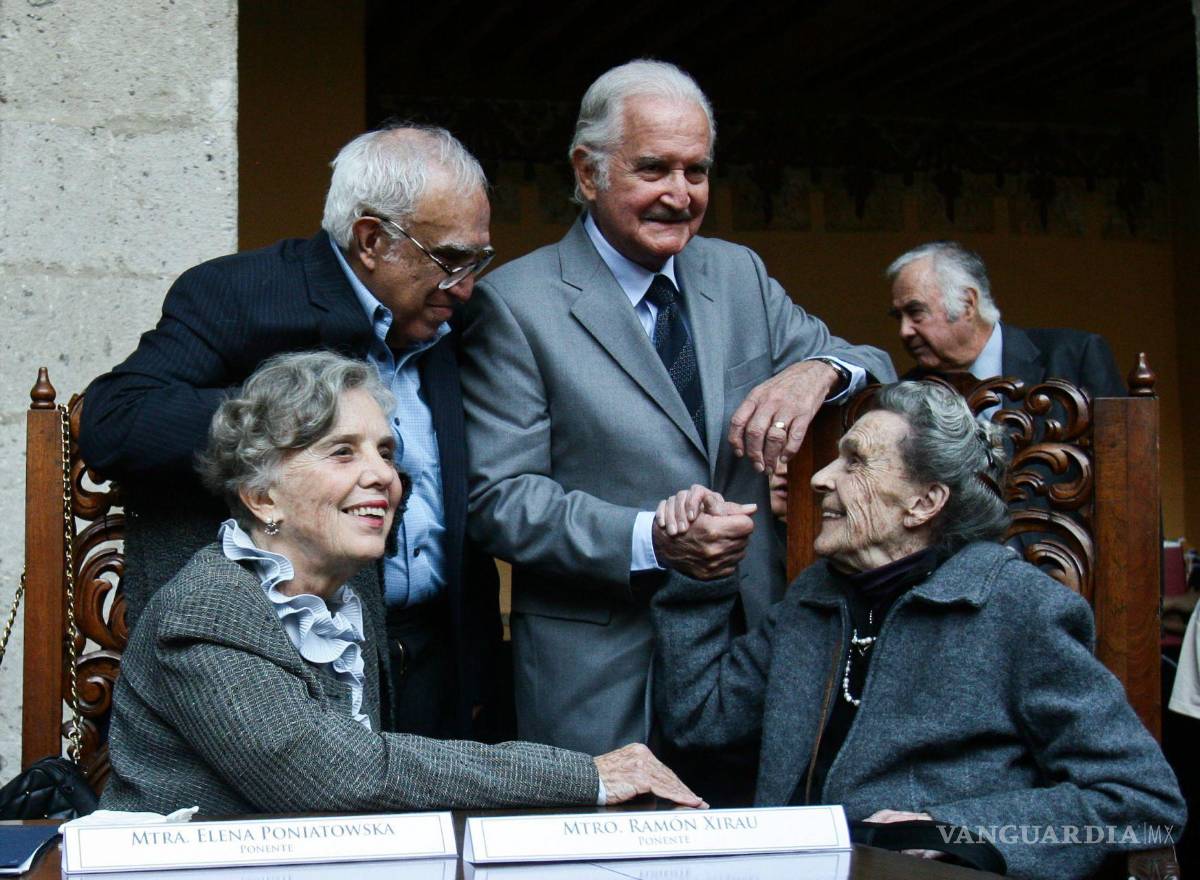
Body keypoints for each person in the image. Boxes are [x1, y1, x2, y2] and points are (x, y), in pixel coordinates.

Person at [460, 59, 894, 766]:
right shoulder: (514, 304)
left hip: (753, 652)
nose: (679, 194)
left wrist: (821, 369)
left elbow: (875, 363)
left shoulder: (739, 275)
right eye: (654, 169)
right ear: (587, 171)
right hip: (602, 669)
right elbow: (498, 500)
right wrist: (650, 540)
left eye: (697, 172)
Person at [100, 352, 704, 815]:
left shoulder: (352, 596)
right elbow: (334, 776)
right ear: (261, 497)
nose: (383, 477)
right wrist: (587, 777)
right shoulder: (206, 612)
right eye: (342, 453)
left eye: (385, 452)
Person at [650, 381, 1184, 879]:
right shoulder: (815, 598)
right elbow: (700, 725)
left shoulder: (1017, 609)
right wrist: (702, 575)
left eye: (854, 462)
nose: (818, 478)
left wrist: (958, 831)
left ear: (924, 502)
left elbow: (1140, 800)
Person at [80, 125, 499, 740]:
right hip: (287, 666)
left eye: (477, 261)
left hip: (444, 658)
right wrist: (295, 419)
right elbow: (116, 420)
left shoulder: (450, 317)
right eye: (450, 260)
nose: (465, 286)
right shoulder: (238, 294)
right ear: (371, 239)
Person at [887, 241, 1125, 397]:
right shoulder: (909, 391)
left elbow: (1122, 462)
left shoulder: (1074, 358)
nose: (904, 331)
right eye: (899, 317)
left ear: (967, 303)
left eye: (915, 312)